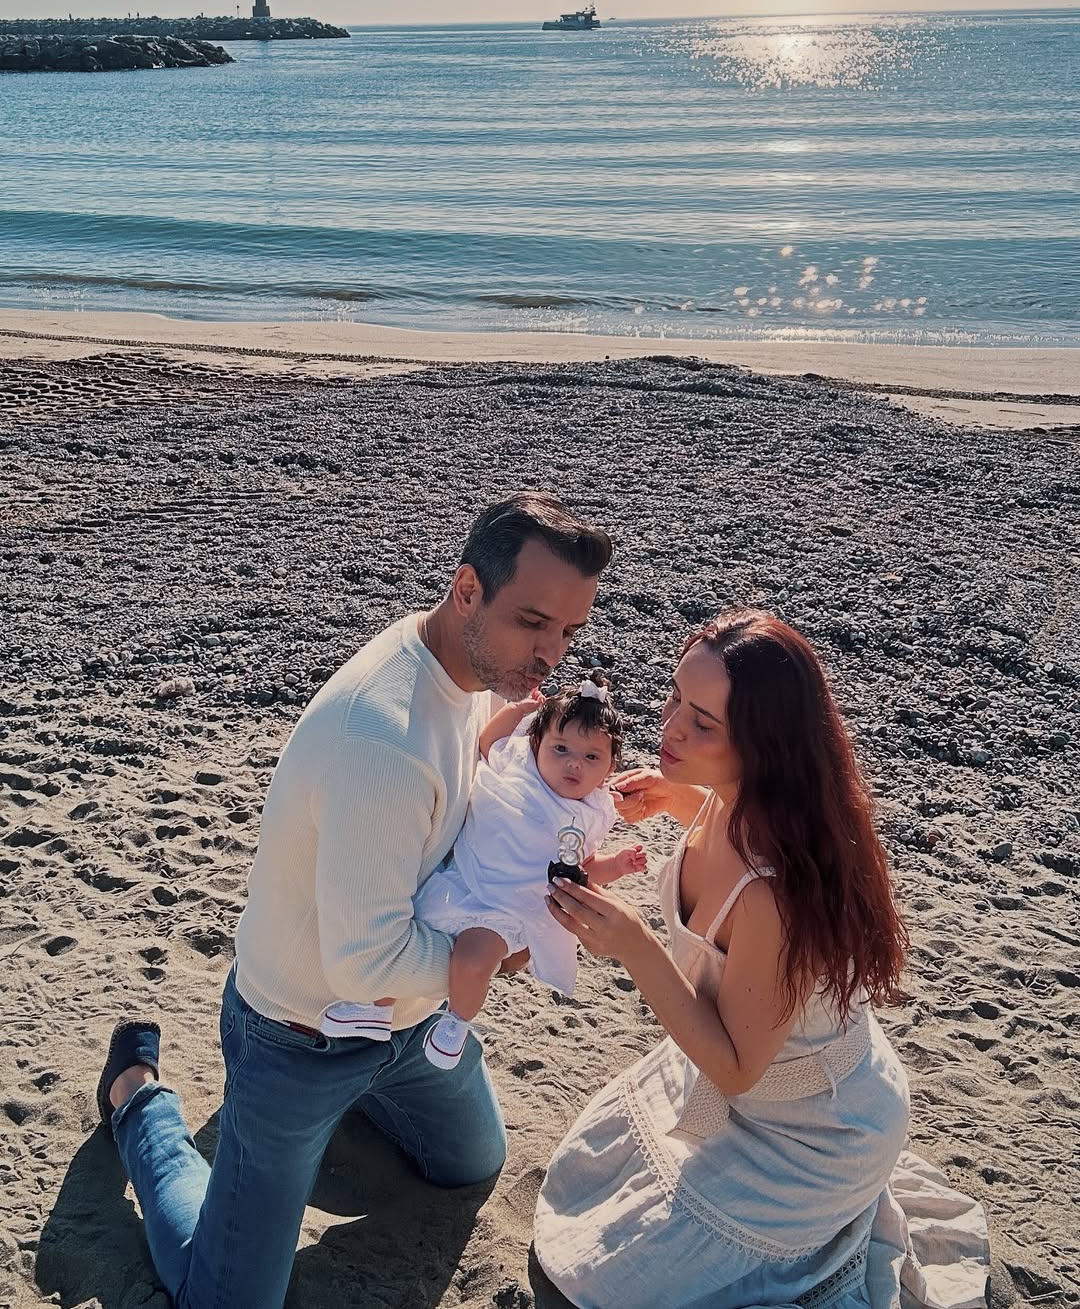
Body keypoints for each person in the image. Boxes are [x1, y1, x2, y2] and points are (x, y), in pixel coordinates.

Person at [93, 491, 613, 1309]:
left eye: (569, 632)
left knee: (472, 1161)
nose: (551, 654)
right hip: (298, 1035)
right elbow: (366, 958)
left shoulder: (472, 663)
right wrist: (507, 950)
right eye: (534, 622)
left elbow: (486, 793)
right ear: (467, 589)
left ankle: (330, 1121)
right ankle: (138, 1099)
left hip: (402, 1023)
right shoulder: (383, 738)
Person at [537, 609, 913, 1309]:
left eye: (703, 723)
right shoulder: (732, 800)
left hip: (811, 1130)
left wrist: (634, 946)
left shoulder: (775, 895)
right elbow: (725, 864)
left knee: (597, 1282)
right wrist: (683, 800)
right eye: (676, 695)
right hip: (751, 1084)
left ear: (763, 746)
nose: (671, 725)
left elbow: (738, 1068)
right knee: (584, 1201)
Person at [320, 671, 647, 1069]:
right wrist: (518, 711)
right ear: (537, 742)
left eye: (591, 757)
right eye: (560, 748)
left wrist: (619, 865)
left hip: (504, 909)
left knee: (474, 960)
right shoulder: (518, 768)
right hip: (460, 878)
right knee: (404, 936)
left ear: (610, 767)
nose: (573, 764)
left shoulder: (589, 814)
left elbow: (581, 868)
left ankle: (456, 1023)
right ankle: (376, 1009)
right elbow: (487, 741)